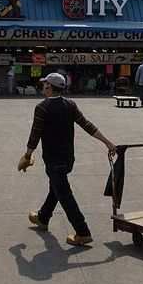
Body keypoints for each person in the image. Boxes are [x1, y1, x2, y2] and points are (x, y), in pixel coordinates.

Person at [18, 72, 117, 246]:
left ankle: (83, 232)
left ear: (49, 87)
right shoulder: (70, 105)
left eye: (45, 84)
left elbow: (35, 135)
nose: (43, 87)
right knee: (55, 188)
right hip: (68, 159)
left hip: (53, 160)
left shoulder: (42, 107)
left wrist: (27, 155)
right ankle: (43, 217)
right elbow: (87, 125)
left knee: (64, 195)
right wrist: (107, 142)